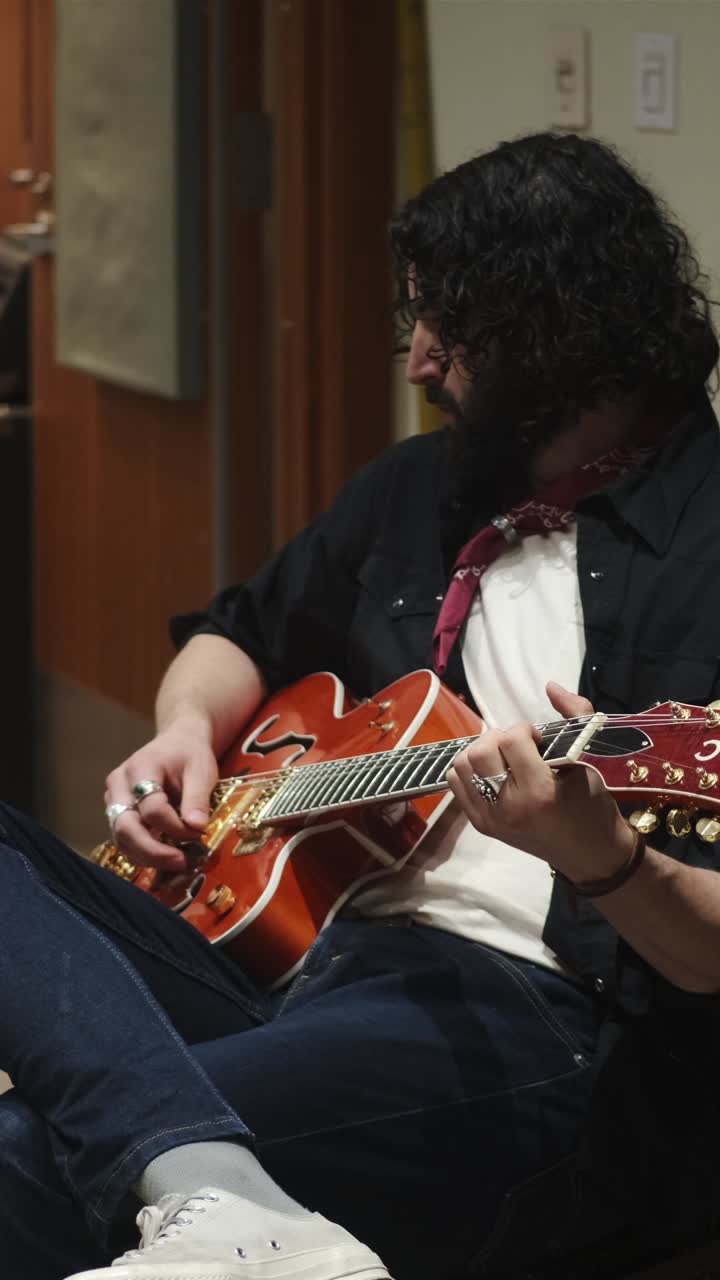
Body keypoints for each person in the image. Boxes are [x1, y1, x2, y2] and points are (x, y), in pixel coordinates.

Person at [3, 131, 720, 1280]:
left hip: (519, 1011)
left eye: (449, 331)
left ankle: (204, 1189)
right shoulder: (421, 487)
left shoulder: (704, 553)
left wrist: (604, 859)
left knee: (34, 1152)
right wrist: (185, 728)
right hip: (287, 953)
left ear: (552, 331)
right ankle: (223, 1198)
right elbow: (239, 629)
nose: (418, 362)